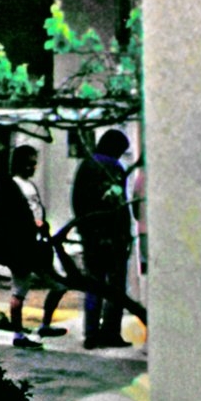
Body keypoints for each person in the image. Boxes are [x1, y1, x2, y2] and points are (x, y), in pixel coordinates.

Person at [1, 144, 68, 349]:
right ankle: (18, 334)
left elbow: (37, 210)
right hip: (21, 247)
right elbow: (12, 218)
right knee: (19, 289)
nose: (33, 168)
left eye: (34, 164)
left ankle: (44, 325)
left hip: (38, 244)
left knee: (59, 286)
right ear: (19, 163)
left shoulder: (30, 185)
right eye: (29, 164)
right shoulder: (11, 186)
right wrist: (30, 227)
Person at [71, 128, 133, 349]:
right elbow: (121, 206)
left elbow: (77, 202)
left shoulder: (85, 165)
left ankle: (91, 334)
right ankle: (110, 333)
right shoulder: (115, 168)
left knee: (94, 285)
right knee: (115, 288)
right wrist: (126, 236)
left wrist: (86, 231)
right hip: (114, 238)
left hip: (91, 238)